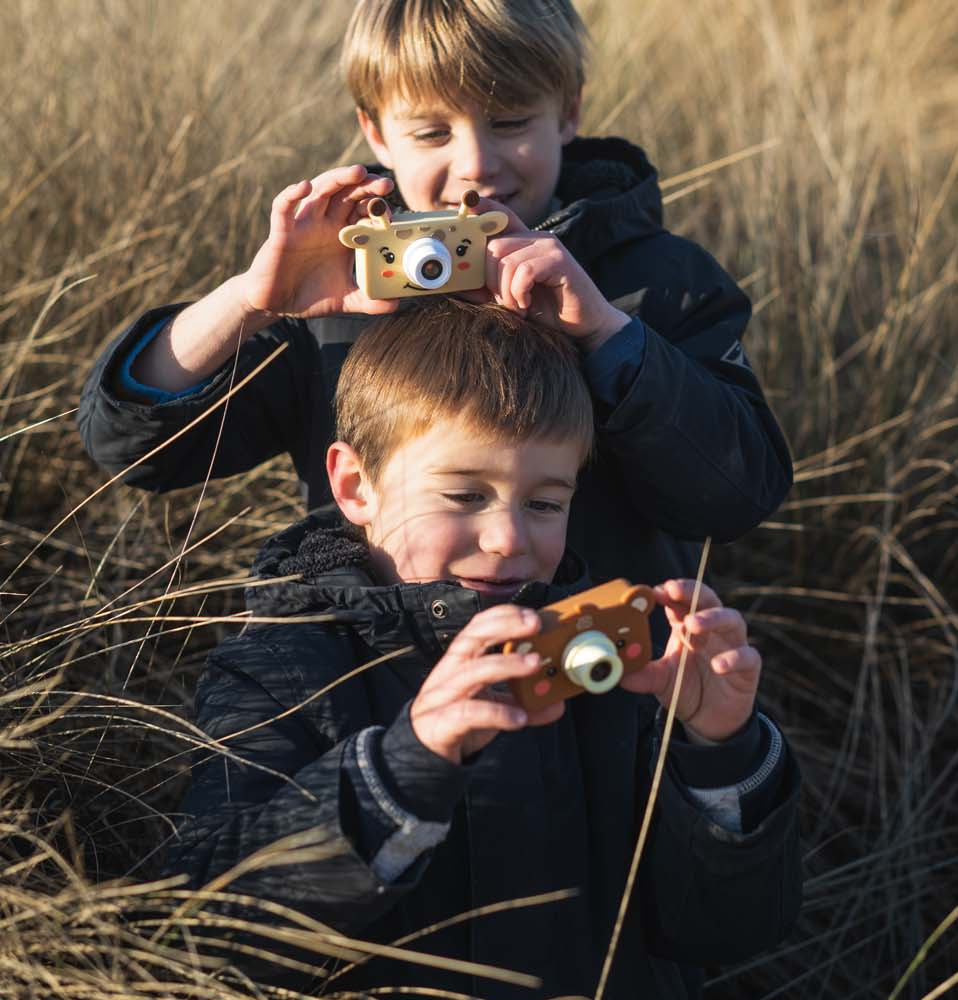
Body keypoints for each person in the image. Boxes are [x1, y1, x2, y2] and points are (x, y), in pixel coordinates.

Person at [166, 299, 800, 1000]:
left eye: (543, 503)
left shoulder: (628, 667)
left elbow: (728, 932)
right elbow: (207, 931)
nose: (507, 538)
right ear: (354, 485)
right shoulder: (280, 664)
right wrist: (403, 767)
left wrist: (719, 752)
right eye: (465, 495)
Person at [76, 0, 793, 590]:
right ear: (375, 131)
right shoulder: (333, 289)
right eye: (431, 131)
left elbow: (737, 496)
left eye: (511, 121)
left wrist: (606, 332)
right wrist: (251, 301)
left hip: (595, 682)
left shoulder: (658, 279)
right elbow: (133, 452)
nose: (476, 164)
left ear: (568, 112)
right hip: (372, 678)